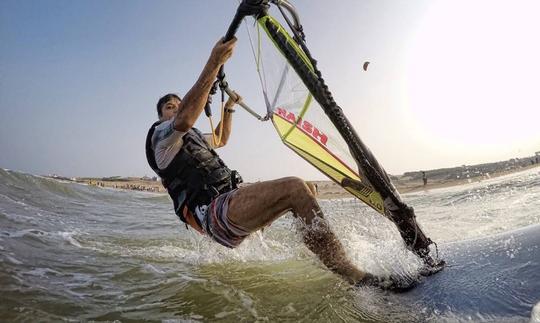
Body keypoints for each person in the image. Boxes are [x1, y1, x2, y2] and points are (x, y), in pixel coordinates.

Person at [145, 37, 409, 289]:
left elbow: (221, 139)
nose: (176, 108)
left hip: (231, 203)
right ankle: (355, 277)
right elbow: (185, 119)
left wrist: (229, 109)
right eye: (170, 106)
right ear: (161, 115)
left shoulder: (192, 138)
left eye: (179, 104)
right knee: (293, 188)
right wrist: (214, 62)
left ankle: (319, 255)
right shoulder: (161, 138)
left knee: (307, 188)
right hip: (213, 215)